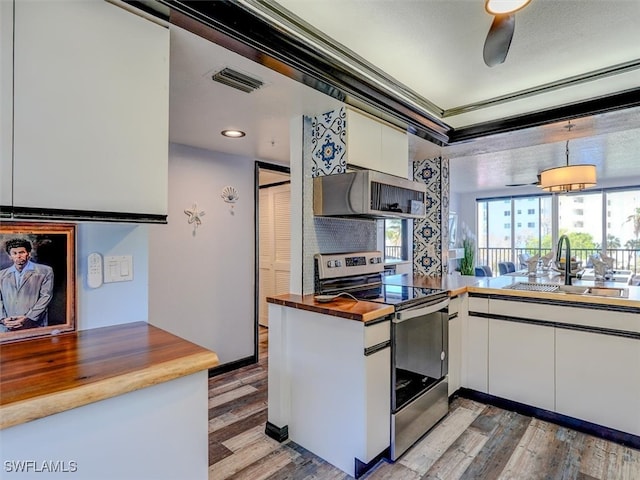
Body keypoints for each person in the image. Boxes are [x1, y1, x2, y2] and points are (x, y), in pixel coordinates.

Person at [0, 238, 54, 332]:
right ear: (10, 256)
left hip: (34, 325)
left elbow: (46, 297)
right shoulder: (1, 275)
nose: (18, 256)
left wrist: (28, 317)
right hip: (8, 327)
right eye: (14, 253)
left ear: (28, 254)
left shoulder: (45, 271)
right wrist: (3, 319)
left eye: (21, 252)